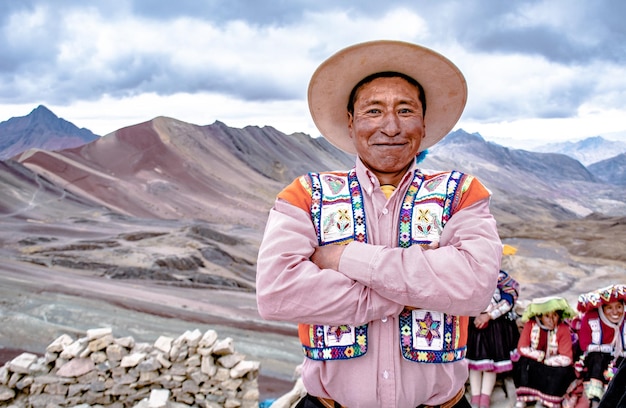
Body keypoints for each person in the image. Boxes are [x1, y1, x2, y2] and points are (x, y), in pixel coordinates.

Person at [256, 40, 502, 408]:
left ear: (424, 122)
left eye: (405, 110)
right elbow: (276, 293)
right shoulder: (305, 194)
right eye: (373, 111)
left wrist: (344, 258)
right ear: (351, 122)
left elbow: (474, 288)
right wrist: (414, 290)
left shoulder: (462, 194)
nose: (390, 126)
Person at [466, 269, 520, 408]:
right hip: (474, 324)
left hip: (494, 327)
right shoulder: (469, 274)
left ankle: (485, 398)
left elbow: (509, 300)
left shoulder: (500, 277)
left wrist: (489, 315)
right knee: (475, 363)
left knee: (491, 365)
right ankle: (475, 397)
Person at [512, 296, 577, 407]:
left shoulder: (563, 329)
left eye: (555, 315)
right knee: (523, 363)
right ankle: (524, 398)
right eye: (547, 316)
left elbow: (566, 357)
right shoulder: (530, 325)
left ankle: (545, 401)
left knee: (559, 372)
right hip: (536, 361)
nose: (551, 320)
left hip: (553, 364)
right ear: (540, 316)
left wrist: (548, 361)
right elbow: (522, 348)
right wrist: (539, 356)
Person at [576, 284, 626, 407]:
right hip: (595, 359)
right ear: (602, 309)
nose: (615, 312)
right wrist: (609, 349)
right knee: (597, 359)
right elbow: (584, 345)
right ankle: (595, 400)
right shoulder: (591, 318)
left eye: (619, 307)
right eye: (609, 308)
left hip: (620, 358)